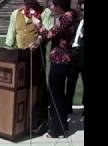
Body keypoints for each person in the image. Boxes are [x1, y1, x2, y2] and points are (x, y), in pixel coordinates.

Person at [29, 0, 78, 138]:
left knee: (55, 96)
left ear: (59, 5)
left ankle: (56, 131)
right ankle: (62, 125)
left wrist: (38, 24)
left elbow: (50, 35)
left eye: (52, 4)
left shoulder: (66, 17)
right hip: (63, 61)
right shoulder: (68, 16)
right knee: (59, 95)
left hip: (60, 61)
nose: (50, 7)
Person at [5, 0, 54, 134]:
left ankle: (40, 120)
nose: (27, 3)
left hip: (38, 58)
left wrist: (39, 41)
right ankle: (22, 119)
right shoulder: (16, 14)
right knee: (21, 88)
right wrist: (8, 53)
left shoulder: (46, 12)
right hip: (20, 58)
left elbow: (50, 34)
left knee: (38, 88)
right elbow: (10, 38)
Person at [66, 0, 85, 119]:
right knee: (70, 83)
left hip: (84, 55)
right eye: (82, 9)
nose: (83, 12)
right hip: (74, 55)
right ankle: (67, 106)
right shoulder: (77, 22)